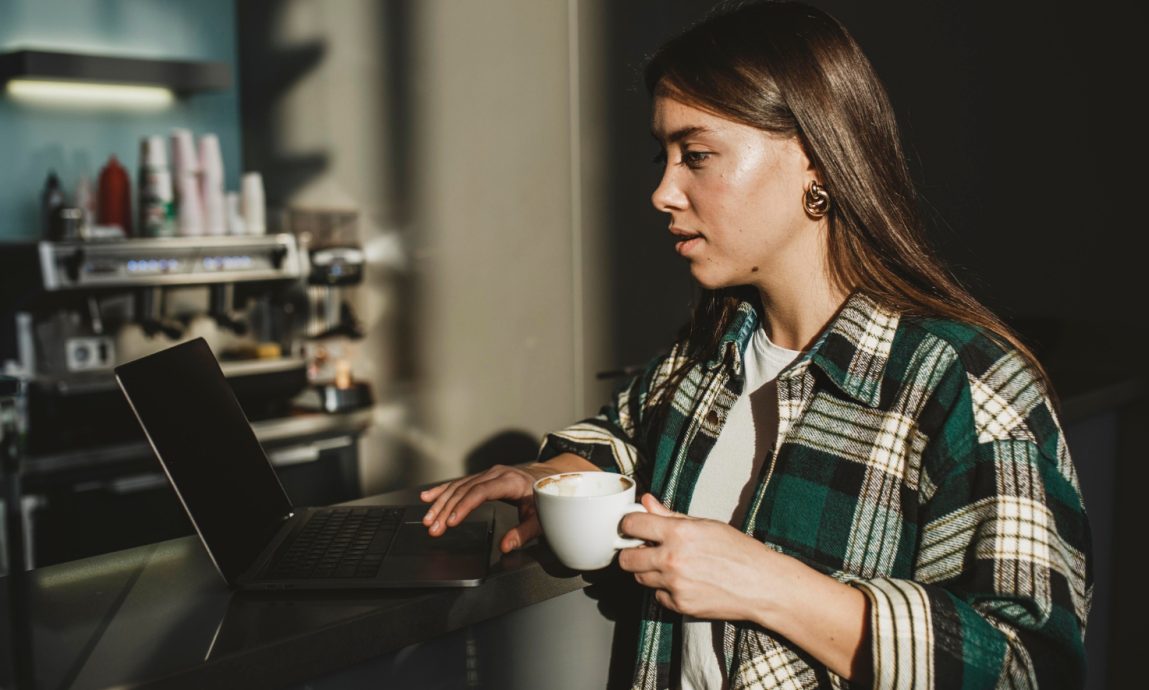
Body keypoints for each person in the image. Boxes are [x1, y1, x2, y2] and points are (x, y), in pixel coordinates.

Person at [420, 2, 1092, 688]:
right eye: (665, 156)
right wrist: (546, 478)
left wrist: (766, 584)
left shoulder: (965, 381)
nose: (662, 191)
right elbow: (621, 436)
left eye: (698, 155)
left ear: (815, 159)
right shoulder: (708, 358)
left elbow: (1027, 667)